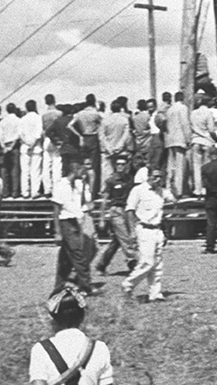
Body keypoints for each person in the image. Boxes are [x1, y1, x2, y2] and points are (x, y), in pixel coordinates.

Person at [122, 167, 172, 302]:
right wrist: (132, 231)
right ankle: (128, 284)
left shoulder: (162, 191)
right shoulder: (138, 190)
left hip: (157, 229)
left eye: (160, 177)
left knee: (157, 264)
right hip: (144, 228)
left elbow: (174, 199)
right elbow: (129, 210)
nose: (158, 179)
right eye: (155, 176)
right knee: (147, 262)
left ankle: (155, 293)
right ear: (148, 176)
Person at [52, 158, 95, 295]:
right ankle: (86, 285)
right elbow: (56, 210)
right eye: (80, 169)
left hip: (75, 222)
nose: (82, 171)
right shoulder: (60, 185)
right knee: (78, 254)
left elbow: (85, 201)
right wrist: (58, 231)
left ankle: (59, 286)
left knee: (65, 258)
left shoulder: (78, 185)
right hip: (66, 223)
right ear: (74, 170)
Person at [95, 154, 138, 276]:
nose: (120, 167)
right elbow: (105, 200)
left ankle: (101, 264)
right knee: (125, 237)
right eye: (118, 164)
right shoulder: (111, 181)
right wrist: (102, 218)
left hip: (128, 210)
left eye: (123, 164)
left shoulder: (130, 179)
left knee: (116, 242)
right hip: (116, 211)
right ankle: (133, 262)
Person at [164, 92, 192, 198]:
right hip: (180, 139)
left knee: (171, 166)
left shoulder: (170, 109)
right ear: (183, 98)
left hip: (170, 140)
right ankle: (179, 191)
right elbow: (185, 123)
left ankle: (169, 188)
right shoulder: (183, 108)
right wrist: (188, 138)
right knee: (180, 166)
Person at [17, 100, 44, 197]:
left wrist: (27, 143)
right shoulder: (38, 118)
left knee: (24, 171)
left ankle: (25, 192)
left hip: (24, 147)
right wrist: (32, 145)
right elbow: (39, 134)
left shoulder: (22, 119)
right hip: (36, 147)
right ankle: (35, 192)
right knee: (35, 170)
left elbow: (20, 134)